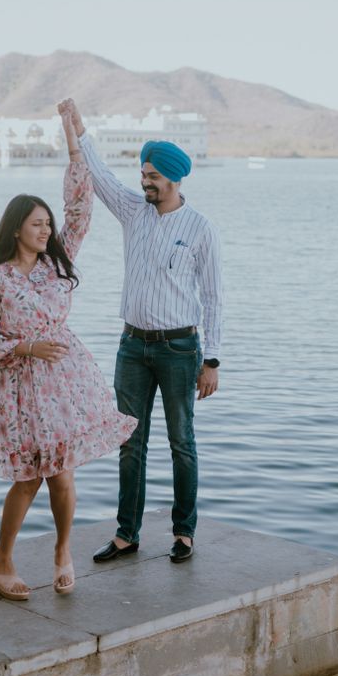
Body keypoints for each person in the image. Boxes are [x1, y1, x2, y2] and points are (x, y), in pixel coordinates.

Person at [0, 107, 138, 600]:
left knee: (63, 476)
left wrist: (73, 142)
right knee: (30, 478)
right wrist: (27, 345)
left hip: (64, 382)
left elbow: (80, 207)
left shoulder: (57, 262)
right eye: (36, 223)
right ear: (16, 228)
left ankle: (62, 552)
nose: (45, 228)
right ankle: (1, 561)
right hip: (18, 384)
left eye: (47, 223)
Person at [58, 99, 222, 564]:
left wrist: (212, 360)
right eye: (144, 174)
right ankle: (127, 534)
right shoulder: (134, 211)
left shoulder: (200, 229)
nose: (144, 182)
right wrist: (79, 128)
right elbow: (101, 176)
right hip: (132, 347)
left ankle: (184, 533)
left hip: (179, 349)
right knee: (128, 443)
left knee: (181, 442)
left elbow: (214, 299)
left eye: (152, 176)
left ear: (173, 179)